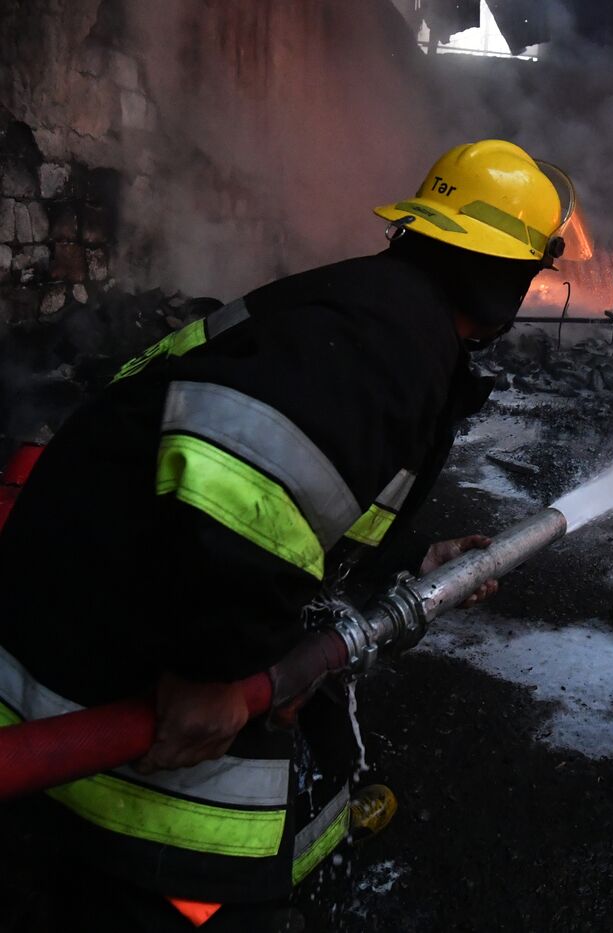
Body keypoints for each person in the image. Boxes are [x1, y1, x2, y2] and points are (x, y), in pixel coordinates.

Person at [0, 139, 581, 931]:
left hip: (90, 622)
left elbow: (300, 498)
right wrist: (214, 670)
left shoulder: (382, 311)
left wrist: (410, 564)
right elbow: (237, 479)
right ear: (513, 272)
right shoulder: (393, 339)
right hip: (99, 676)